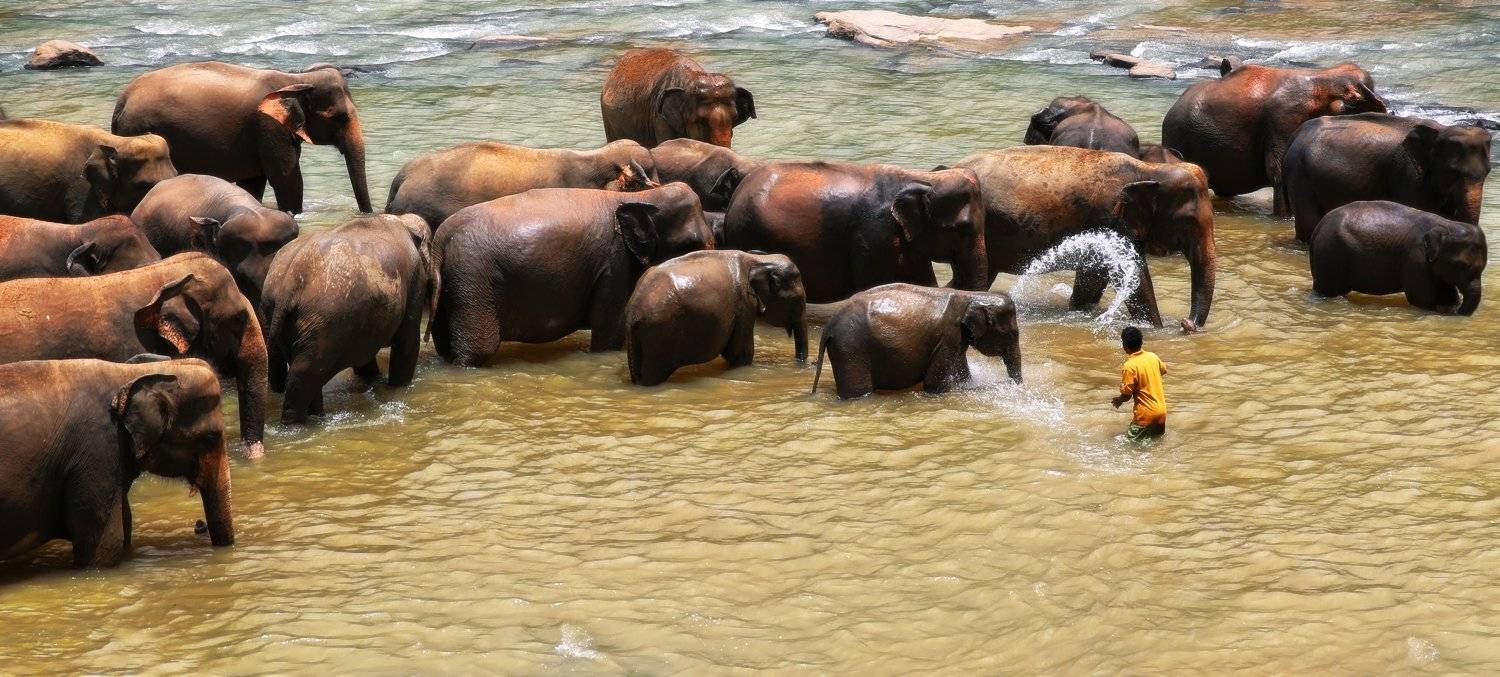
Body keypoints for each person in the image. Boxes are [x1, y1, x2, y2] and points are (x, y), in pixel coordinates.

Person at [1111, 326, 1167, 441]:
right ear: (1141, 342)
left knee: (1130, 446)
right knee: (1155, 442)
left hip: (1145, 415)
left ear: (1124, 346)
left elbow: (1127, 395)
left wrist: (1118, 400)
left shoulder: (1129, 366)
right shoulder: (1153, 356)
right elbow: (1163, 370)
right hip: (1161, 412)